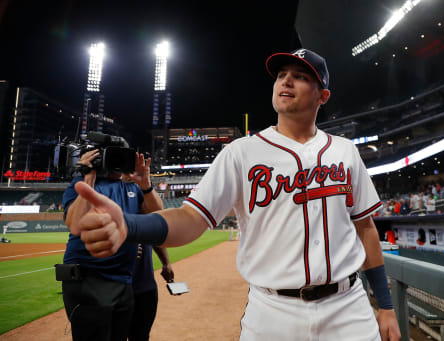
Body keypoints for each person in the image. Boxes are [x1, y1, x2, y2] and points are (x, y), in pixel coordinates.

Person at [70, 48, 401, 341]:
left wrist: (385, 306)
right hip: (272, 311)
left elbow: (365, 227)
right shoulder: (240, 153)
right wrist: (131, 226)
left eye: (300, 77)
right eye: (282, 75)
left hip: (348, 307)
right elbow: (190, 218)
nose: (286, 81)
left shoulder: (344, 152)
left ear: (322, 96)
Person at [60, 148, 167, 341]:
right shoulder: (81, 184)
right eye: (114, 157)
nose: (120, 163)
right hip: (89, 281)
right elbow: (75, 223)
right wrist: (88, 178)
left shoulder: (133, 187)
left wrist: (146, 185)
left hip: (123, 282)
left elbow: (159, 217)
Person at [121, 174, 175, 341]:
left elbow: (156, 231)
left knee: (141, 335)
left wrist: (166, 262)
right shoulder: (109, 193)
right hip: (117, 285)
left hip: (144, 285)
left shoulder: (141, 195)